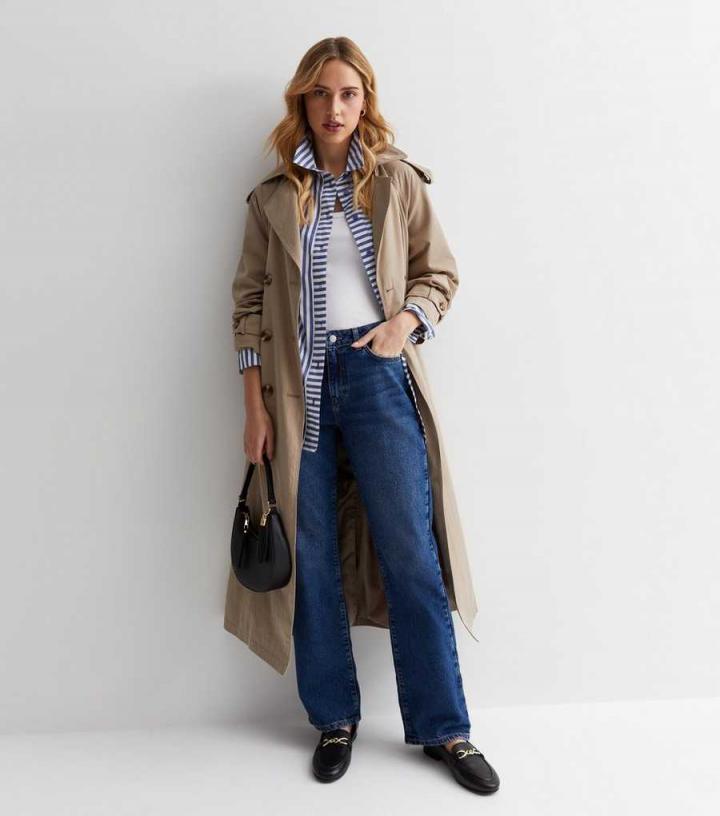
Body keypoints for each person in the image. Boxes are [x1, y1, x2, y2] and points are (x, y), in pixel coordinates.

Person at [230, 36, 499, 794]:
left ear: (365, 101)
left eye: (348, 93)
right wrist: (253, 407)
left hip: (378, 376)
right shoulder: (273, 197)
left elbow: (438, 274)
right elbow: (247, 304)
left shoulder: (395, 180)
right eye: (320, 93)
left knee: (411, 551)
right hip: (296, 389)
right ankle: (334, 720)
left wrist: (402, 326)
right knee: (311, 557)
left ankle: (444, 728)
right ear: (302, 101)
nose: (334, 107)